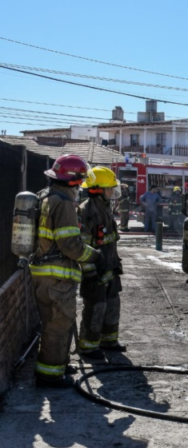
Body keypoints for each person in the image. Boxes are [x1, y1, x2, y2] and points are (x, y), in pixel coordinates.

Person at [30, 154, 101, 388]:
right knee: (57, 324)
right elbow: (70, 245)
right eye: (80, 179)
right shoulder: (63, 203)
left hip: (45, 274)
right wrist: (92, 255)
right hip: (56, 276)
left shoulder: (47, 196)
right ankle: (49, 376)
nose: (82, 183)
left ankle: (58, 364)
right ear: (73, 180)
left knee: (59, 321)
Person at [78, 167, 126, 359]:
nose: (112, 193)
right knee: (95, 308)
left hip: (110, 268)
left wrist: (115, 263)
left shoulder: (105, 208)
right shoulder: (86, 211)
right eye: (109, 189)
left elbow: (109, 240)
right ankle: (88, 346)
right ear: (97, 189)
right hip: (95, 272)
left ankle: (109, 341)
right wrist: (90, 272)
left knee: (113, 305)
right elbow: (82, 245)